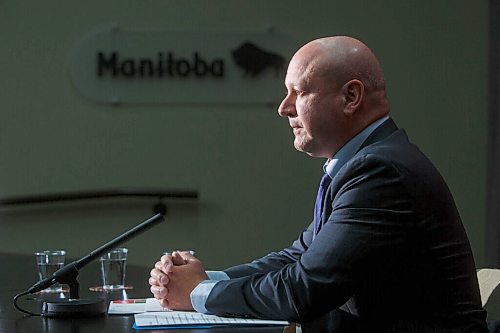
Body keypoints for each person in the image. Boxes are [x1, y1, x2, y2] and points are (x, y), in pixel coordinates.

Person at [149, 36, 488, 332]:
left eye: (299, 92)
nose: (284, 108)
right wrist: (206, 280)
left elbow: (306, 289)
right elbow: (300, 257)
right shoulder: (368, 161)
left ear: (350, 96)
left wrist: (197, 294)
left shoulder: (381, 171)